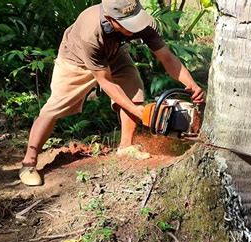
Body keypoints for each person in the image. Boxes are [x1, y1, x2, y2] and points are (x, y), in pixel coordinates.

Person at [19, 0, 205, 186]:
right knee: (55, 106)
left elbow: (167, 57)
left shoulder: (142, 23)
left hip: (114, 52)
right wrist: (139, 113)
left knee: (133, 85)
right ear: (110, 19)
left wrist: (191, 85)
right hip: (76, 58)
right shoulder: (91, 32)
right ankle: (29, 162)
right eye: (128, 24)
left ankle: (125, 146)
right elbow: (106, 83)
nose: (134, 29)